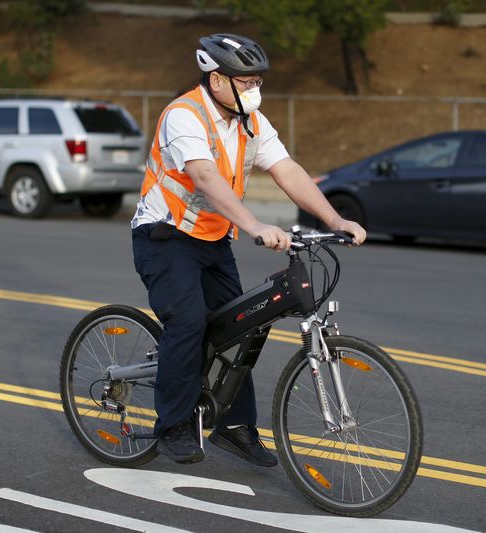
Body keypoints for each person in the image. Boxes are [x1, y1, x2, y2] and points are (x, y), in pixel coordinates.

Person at [130, 33, 366, 466]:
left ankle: (235, 427)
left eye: (258, 81)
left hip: (213, 239)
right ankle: (174, 426)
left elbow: (287, 170)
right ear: (217, 80)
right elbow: (204, 176)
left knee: (243, 325)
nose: (254, 90)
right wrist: (255, 225)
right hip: (165, 238)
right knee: (188, 323)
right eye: (246, 82)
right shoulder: (184, 116)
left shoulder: (251, 122)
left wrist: (335, 221)